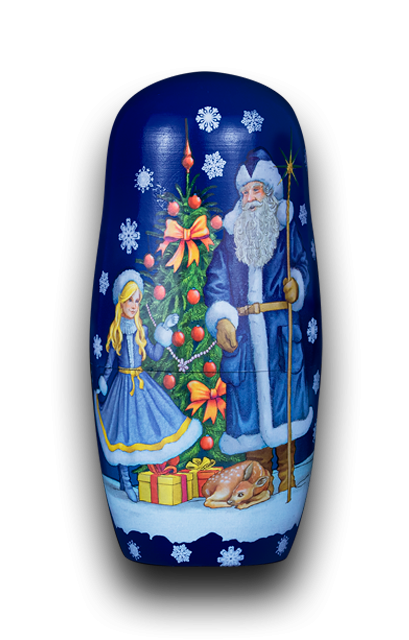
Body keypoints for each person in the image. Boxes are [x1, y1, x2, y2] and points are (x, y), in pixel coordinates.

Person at [203, 148, 313, 492]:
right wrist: (222, 318)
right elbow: (216, 283)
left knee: (285, 408)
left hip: (279, 336)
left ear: (270, 193)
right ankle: (259, 480)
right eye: (245, 192)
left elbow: (301, 265)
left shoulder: (283, 234)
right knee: (248, 414)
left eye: (257, 190)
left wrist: (296, 283)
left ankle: (288, 476)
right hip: (245, 343)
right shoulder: (230, 241)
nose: (250, 198)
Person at [96, 269, 202, 501]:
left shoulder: (141, 330)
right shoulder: (117, 333)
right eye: (130, 300)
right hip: (123, 386)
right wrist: (104, 379)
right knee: (123, 432)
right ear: (121, 302)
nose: (134, 306)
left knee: (150, 425)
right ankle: (126, 479)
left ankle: (143, 475)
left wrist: (164, 331)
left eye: (137, 301)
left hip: (142, 384)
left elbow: (154, 355)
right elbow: (110, 363)